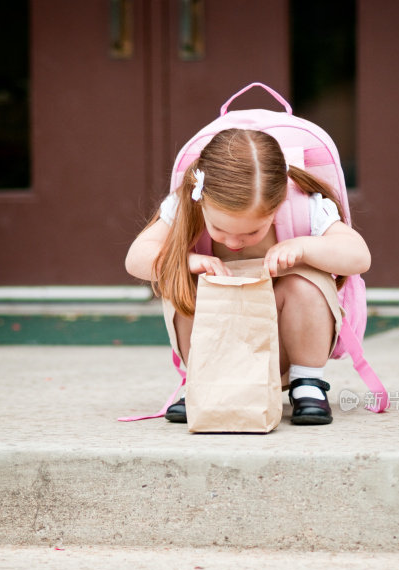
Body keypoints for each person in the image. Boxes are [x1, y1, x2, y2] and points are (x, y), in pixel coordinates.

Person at [125, 128, 371, 425]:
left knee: (304, 284)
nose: (233, 243)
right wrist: (187, 260)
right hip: (215, 341)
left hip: (281, 343)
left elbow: (359, 256)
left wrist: (305, 248)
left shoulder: (305, 207)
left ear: (279, 204)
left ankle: (307, 382)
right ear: (201, 199)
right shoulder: (186, 205)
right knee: (186, 282)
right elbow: (136, 258)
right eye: (219, 230)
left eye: (252, 232)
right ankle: (203, 383)